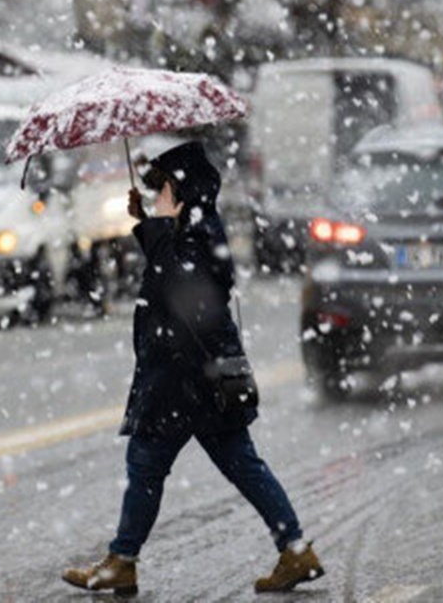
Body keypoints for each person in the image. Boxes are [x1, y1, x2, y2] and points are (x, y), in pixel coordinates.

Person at [61, 141, 322, 596]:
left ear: (180, 192)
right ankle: (295, 550)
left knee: (146, 464)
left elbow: (176, 287)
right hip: (199, 376)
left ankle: (123, 561)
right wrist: (149, 221)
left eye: (161, 188)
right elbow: (175, 274)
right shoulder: (196, 229)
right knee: (239, 464)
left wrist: (157, 227)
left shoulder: (197, 234)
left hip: (184, 379)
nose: (156, 195)